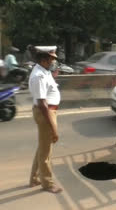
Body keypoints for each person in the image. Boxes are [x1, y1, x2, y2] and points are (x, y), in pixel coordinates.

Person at [28, 46, 63, 194]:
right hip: (46, 114)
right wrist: (54, 129)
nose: (53, 62)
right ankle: (47, 184)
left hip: (49, 112)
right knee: (46, 152)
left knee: (42, 148)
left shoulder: (44, 71)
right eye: (51, 59)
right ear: (43, 60)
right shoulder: (38, 76)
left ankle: (34, 178)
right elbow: (42, 104)